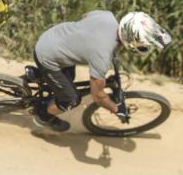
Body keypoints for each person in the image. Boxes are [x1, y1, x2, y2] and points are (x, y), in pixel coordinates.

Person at [28, 11, 172, 132]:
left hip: (54, 36)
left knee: (68, 79)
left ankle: (39, 77)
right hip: (46, 55)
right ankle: (43, 116)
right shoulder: (102, 56)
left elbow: (86, 15)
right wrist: (115, 109)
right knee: (71, 99)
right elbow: (97, 95)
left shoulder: (107, 16)